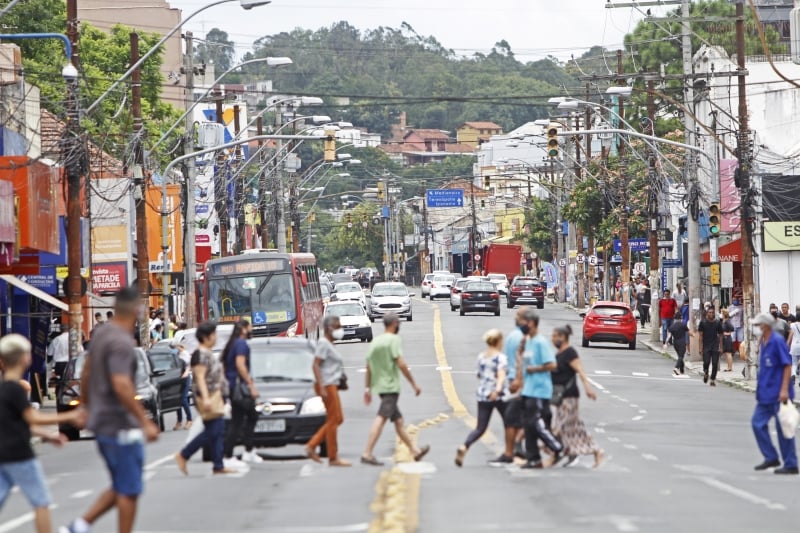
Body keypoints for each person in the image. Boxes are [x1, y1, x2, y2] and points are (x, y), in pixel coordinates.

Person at [60, 287, 160, 533]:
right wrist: (144, 421)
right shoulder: (121, 342)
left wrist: (84, 406)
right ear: (137, 311)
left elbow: (86, 371)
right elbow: (122, 384)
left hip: (104, 422)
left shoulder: (102, 334)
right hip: (120, 425)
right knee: (129, 489)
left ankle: (79, 526)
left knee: (122, 484)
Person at [0, 334, 84, 533]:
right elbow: (32, 418)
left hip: (3, 454)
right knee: (41, 501)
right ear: (25, 358)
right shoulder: (16, 389)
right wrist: (68, 417)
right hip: (20, 455)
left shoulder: (3, 389)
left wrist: (49, 435)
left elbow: (18, 423)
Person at [361, 314, 430, 466]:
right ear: (393, 323)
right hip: (390, 386)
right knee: (381, 418)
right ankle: (367, 453)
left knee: (398, 421)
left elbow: (368, 367)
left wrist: (367, 388)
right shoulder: (394, 340)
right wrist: (414, 384)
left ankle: (415, 451)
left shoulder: (375, 342)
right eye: (398, 322)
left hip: (380, 386)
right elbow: (401, 364)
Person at [174, 322, 234, 475]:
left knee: (216, 430)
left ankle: (218, 465)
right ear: (207, 337)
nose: (216, 338)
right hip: (208, 396)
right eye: (214, 335)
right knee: (214, 430)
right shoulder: (200, 355)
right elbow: (200, 378)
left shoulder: (206, 353)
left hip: (215, 395)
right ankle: (184, 454)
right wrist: (206, 398)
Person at [549, 325, 603, 468]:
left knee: (562, 425)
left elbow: (580, 371)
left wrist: (588, 388)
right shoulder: (559, 353)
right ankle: (591, 451)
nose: (552, 339)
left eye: (555, 336)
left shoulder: (570, 353)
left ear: (562, 337)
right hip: (560, 396)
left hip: (570, 395)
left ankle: (561, 453)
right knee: (573, 426)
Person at [517, 308, 564, 469]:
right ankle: (533, 458)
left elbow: (552, 365)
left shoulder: (540, 342)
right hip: (528, 390)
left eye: (523, 323)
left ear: (531, 323)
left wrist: (534, 369)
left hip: (539, 390)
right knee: (528, 426)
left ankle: (557, 447)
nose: (521, 325)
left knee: (535, 424)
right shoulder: (528, 341)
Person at [751, 313, 797, 475]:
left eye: (758, 325)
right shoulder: (764, 342)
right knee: (757, 423)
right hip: (765, 394)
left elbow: (786, 366)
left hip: (779, 393)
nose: (756, 328)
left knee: (784, 428)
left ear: (766, 326)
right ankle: (771, 456)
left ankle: (791, 463)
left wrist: (784, 389)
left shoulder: (777, 342)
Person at [455, 329, 507, 467]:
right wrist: (497, 389)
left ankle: (464, 446)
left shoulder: (481, 356)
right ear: (498, 341)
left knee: (480, 427)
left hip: (483, 394)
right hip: (497, 394)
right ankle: (511, 452)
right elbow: (501, 375)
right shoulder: (500, 357)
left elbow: (479, 374)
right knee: (510, 423)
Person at [306, 316, 350, 466]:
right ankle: (332, 456)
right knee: (333, 419)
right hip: (326, 385)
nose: (340, 329)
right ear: (330, 328)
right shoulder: (324, 343)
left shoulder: (329, 344)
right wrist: (322, 385)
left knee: (338, 418)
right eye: (338, 326)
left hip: (332, 384)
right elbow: (315, 365)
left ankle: (312, 445)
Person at [490, 308, 528, 466]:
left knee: (517, 419)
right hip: (519, 382)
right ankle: (514, 449)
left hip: (516, 382)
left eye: (517, 316)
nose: (515, 318)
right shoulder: (522, 337)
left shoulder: (514, 336)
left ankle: (513, 450)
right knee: (518, 418)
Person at [222, 319, 261, 467]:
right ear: (244, 329)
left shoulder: (233, 344)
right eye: (250, 327)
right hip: (239, 388)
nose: (252, 330)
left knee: (241, 419)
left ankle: (243, 452)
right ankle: (236, 453)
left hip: (233, 387)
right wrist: (251, 384)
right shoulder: (241, 344)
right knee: (247, 418)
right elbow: (240, 364)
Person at [698, 307, 723, 387]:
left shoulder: (717, 323)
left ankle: (712, 379)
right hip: (706, 346)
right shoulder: (703, 323)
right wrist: (700, 347)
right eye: (709, 312)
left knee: (715, 363)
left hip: (715, 345)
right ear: (707, 313)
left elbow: (720, 335)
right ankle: (706, 372)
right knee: (706, 362)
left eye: (712, 313)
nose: (711, 314)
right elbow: (700, 336)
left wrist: (721, 347)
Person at [173, 342, 192, 431]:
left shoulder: (185, 354)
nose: (176, 348)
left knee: (183, 399)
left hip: (185, 378)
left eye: (177, 347)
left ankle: (189, 419)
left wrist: (185, 373)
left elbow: (189, 366)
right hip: (178, 378)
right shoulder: (176, 355)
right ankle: (179, 421)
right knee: (177, 400)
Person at [667, 311, 691, 375]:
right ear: (681, 318)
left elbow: (669, 336)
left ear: (674, 318)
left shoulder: (672, 326)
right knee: (681, 356)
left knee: (680, 356)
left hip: (675, 343)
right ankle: (676, 368)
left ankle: (682, 369)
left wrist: (665, 343)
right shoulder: (683, 325)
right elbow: (689, 333)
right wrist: (694, 335)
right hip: (682, 342)